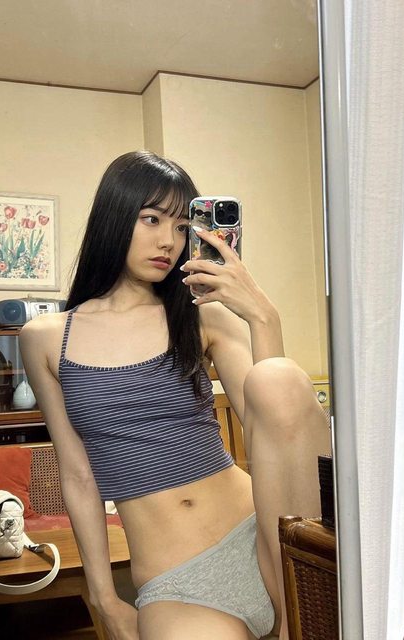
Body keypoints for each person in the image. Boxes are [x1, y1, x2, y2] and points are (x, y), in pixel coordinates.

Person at [20, 150, 330, 640]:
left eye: (183, 226)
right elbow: (78, 474)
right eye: (151, 219)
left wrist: (262, 316)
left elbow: (274, 420)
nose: (169, 240)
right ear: (114, 217)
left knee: (281, 379)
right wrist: (104, 598)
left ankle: (307, 589)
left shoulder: (202, 315)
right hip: (180, 583)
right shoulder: (46, 338)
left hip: (263, 535)